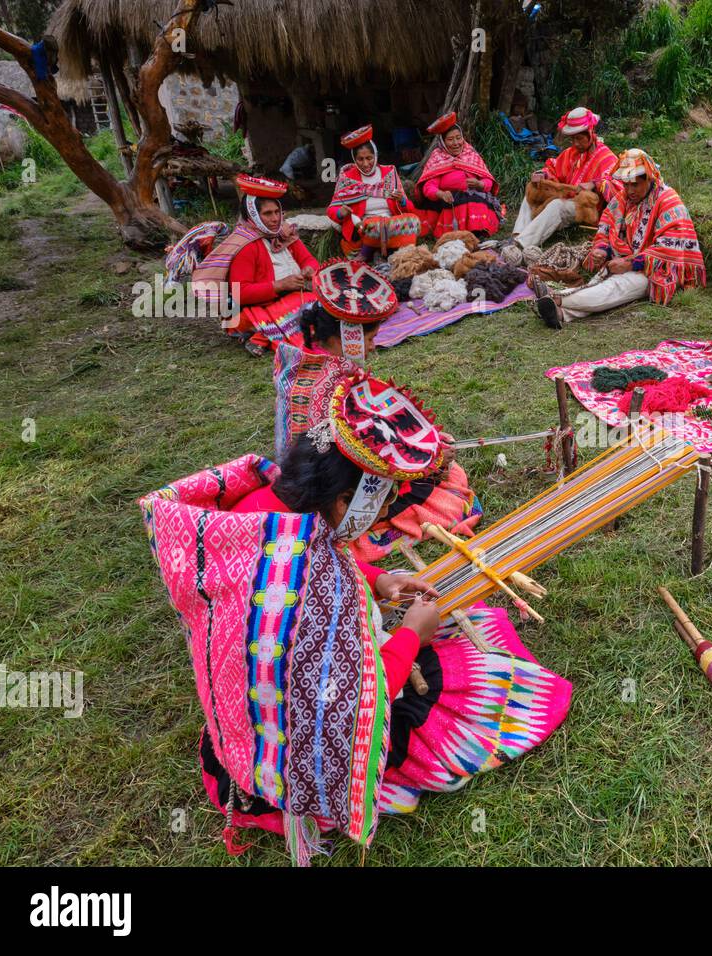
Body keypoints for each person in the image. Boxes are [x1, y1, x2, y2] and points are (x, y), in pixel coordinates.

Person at [139, 370, 570, 864]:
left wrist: (377, 578)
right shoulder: (314, 581)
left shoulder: (261, 512)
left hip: (240, 734)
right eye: (380, 501)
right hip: (286, 762)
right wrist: (410, 635)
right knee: (485, 682)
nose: (384, 511)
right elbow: (354, 700)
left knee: (445, 628)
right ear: (345, 502)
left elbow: (320, 572)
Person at [274, 258, 482, 560]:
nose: (373, 346)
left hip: (305, 474)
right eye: (370, 338)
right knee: (434, 488)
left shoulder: (305, 362)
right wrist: (426, 462)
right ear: (350, 335)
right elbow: (358, 457)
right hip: (329, 493)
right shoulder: (334, 385)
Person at [530, 148, 704, 328]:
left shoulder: (669, 201)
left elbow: (669, 249)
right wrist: (601, 249)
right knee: (612, 285)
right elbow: (604, 228)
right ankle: (560, 313)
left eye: (635, 184)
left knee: (618, 286)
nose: (629, 190)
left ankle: (559, 299)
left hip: (658, 269)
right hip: (625, 262)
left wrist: (630, 263)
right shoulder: (623, 198)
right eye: (626, 184)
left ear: (649, 179)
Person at [192, 173, 317, 357]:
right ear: (253, 216)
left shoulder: (284, 234)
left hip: (287, 300)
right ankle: (261, 335)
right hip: (249, 312)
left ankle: (262, 335)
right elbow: (239, 293)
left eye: (277, 212)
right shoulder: (246, 246)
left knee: (320, 303)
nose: (275, 219)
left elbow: (308, 260)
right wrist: (279, 286)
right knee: (310, 306)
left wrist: (309, 269)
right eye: (267, 214)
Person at [510, 106, 617, 249]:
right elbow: (553, 168)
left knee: (557, 206)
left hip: (585, 208)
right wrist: (542, 174)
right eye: (572, 139)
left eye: (579, 138)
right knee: (532, 192)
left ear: (591, 133)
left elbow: (617, 183)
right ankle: (517, 235)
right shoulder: (570, 153)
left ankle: (522, 245)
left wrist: (594, 184)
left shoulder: (606, 157)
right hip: (565, 197)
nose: (576, 143)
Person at [326, 124, 422, 258]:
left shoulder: (389, 173)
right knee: (372, 226)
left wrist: (402, 201)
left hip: (391, 225)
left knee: (413, 220)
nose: (365, 164)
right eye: (360, 159)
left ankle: (373, 252)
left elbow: (410, 209)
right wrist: (340, 213)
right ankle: (380, 252)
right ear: (354, 159)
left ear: (375, 156)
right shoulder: (347, 178)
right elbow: (331, 211)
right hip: (363, 228)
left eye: (369, 158)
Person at [413, 111, 502, 239]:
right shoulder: (437, 158)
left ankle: (478, 231)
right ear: (443, 142)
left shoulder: (470, 153)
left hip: (476, 196)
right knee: (461, 200)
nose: (456, 143)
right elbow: (428, 188)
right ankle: (465, 233)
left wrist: (480, 184)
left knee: (473, 200)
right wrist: (441, 194)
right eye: (450, 139)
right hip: (449, 201)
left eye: (458, 138)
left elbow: (488, 181)